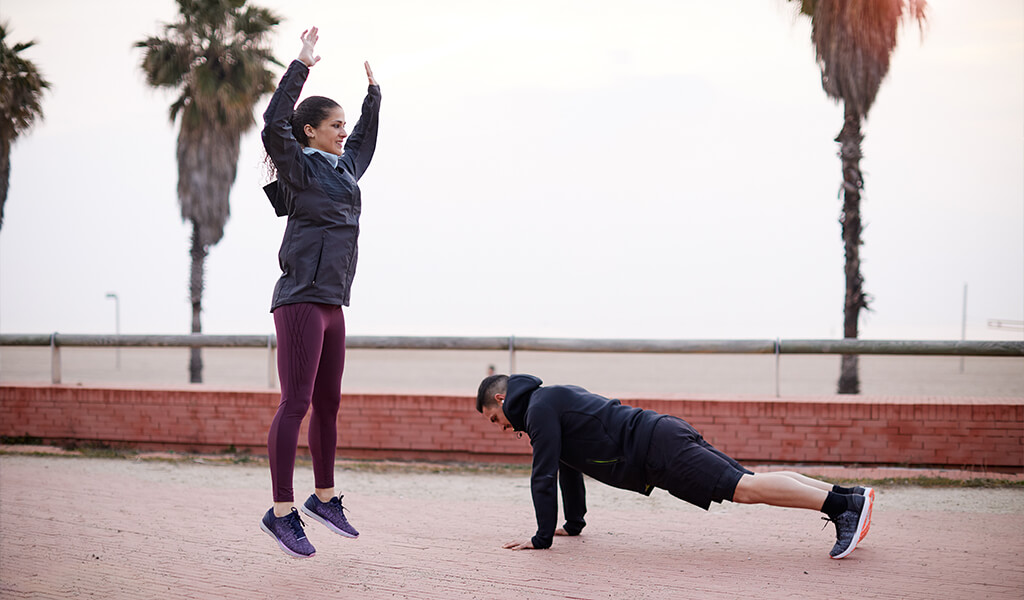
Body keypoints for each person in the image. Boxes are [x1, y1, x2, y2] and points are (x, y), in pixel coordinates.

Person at [476, 374, 875, 560]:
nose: (501, 427)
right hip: (660, 434)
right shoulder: (547, 401)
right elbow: (567, 468)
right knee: (750, 481)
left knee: (745, 489)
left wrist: (541, 537)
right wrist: (573, 525)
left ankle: (841, 510)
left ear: (500, 398)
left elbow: (542, 474)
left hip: (657, 449)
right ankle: (847, 497)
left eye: (495, 418)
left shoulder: (539, 410)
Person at [258, 26, 380, 559]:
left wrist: (373, 97)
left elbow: (364, 143)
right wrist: (301, 64)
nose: (341, 134)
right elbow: (271, 125)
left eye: (343, 127)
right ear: (309, 132)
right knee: (297, 403)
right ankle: (281, 510)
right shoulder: (301, 167)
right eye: (333, 126)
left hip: (333, 304)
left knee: (328, 403)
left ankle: (324, 498)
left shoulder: (347, 170)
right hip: (301, 301)